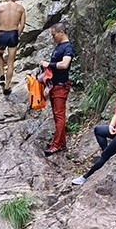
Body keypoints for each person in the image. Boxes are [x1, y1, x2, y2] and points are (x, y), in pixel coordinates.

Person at [71, 70, 116, 185]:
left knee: (104, 155)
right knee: (98, 130)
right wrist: (111, 125)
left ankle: (85, 177)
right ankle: (107, 154)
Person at [39, 23, 74, 155]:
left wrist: (49, 64)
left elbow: (65, 64)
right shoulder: (59, 47)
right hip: (55, 84)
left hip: (61, 85)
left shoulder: (68, 47)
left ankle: (57, 145)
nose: (53, 37)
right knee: (56, 115)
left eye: (54, 34)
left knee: (59, 116)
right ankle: (62, 143)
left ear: (61, 32)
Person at [0, 0, 26, 92]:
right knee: (10, 62)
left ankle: (1, 74)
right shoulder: (21, 8)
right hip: (13, 34)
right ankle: (7, 87)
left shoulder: (1, 7)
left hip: (2, 33)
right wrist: (17, 35)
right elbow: (22, 25)